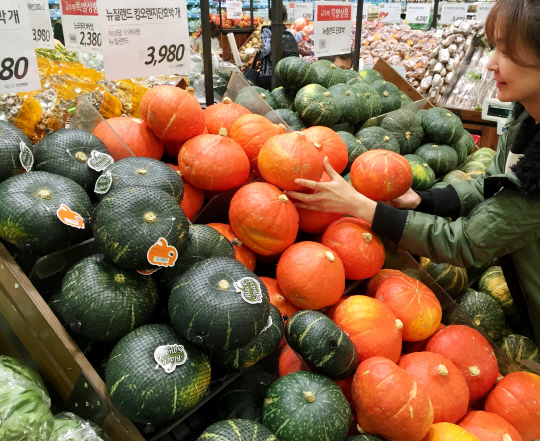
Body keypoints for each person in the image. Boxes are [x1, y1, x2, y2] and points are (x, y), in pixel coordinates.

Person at [288, 0, 540, 345]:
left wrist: (363, 207)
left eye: (508, 53)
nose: (491, 63)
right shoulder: (525, 119)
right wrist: (422, 198)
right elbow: (492, 184)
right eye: (493, 47)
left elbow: (466, 242)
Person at [256, 5, 304, 89]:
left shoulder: (266, 30)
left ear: (270, 16)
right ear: (284, 17)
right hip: (283, 73)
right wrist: (302, 33)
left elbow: (266, 49)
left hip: (268, 74)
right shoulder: (287, 31)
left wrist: (259, 53)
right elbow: (296, 38)